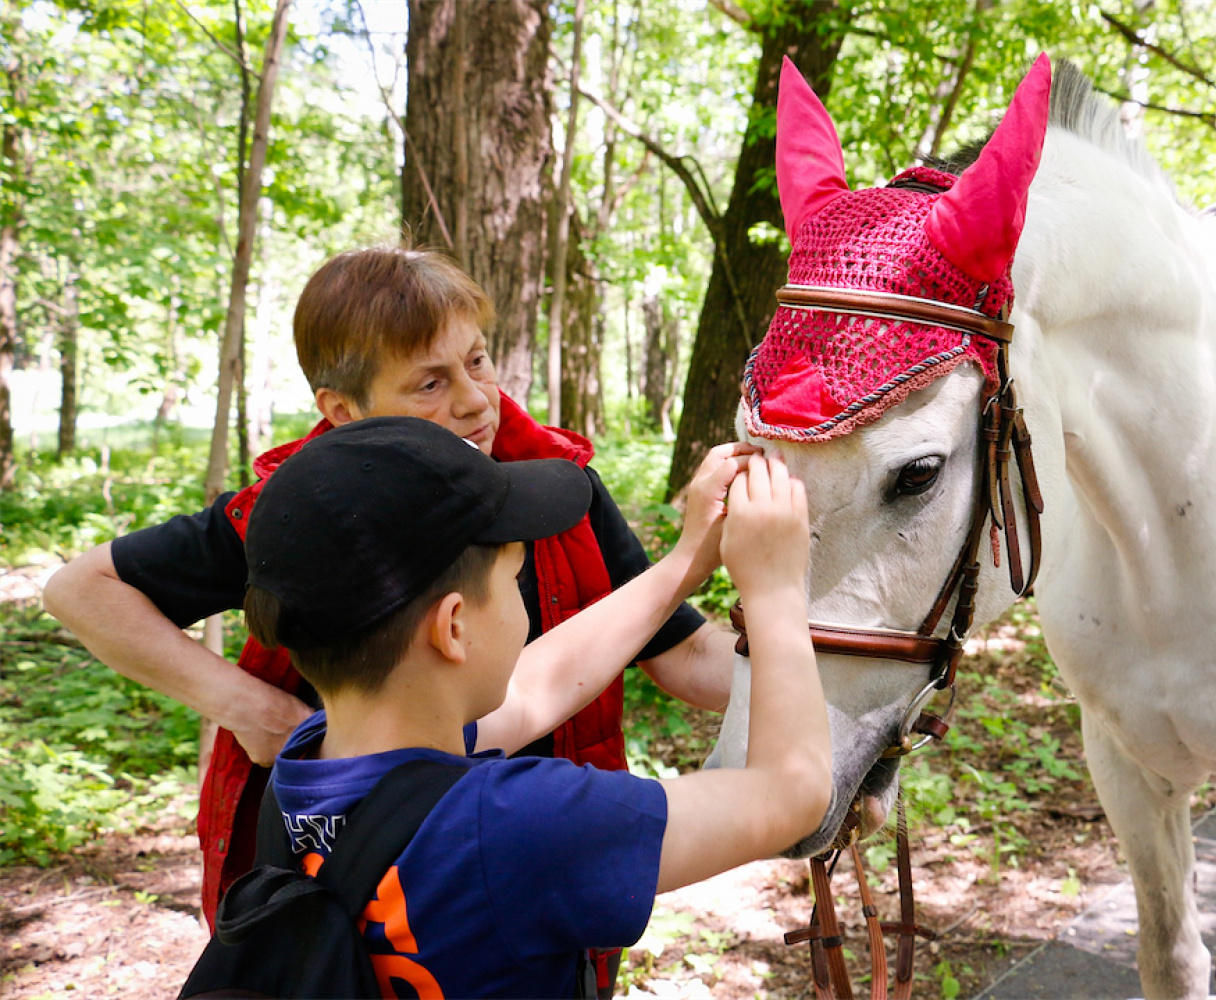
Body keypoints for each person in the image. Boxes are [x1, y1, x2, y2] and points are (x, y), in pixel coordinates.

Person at [41, 248, 745, 945]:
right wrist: (255, 712)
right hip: (349, 899)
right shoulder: (301, 515)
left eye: (477, 361)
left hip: (535, 861)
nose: (476, 400)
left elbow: (680, 652)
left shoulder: (554, 488)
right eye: (429, 383)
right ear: (343, 409)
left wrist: (828, 668)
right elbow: (83, 590)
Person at [240, 416, 828, 999]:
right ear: (453, 628)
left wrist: (685, 562)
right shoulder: (523, 825)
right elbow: (791, 794)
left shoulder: (310, 766)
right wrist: (774, 585)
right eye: (514, 579)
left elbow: (536, 688)